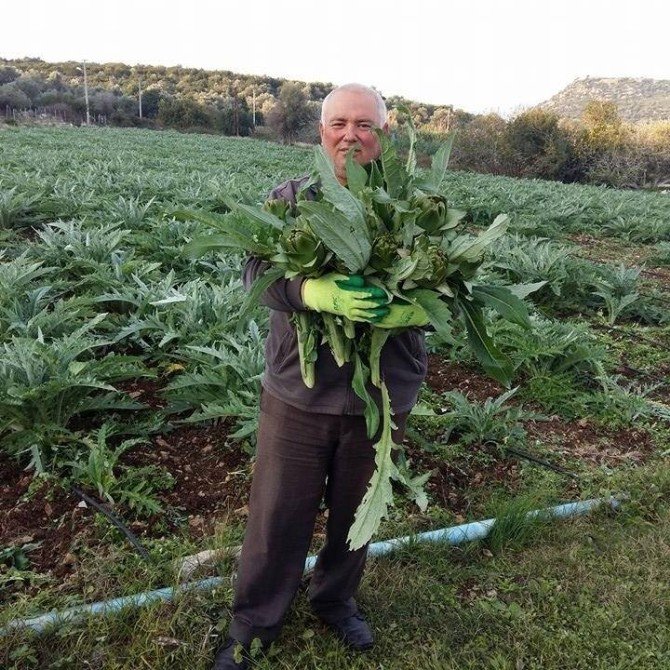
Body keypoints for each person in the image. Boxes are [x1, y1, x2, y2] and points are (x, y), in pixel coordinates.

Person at [213, 83, 430, 669]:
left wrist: (421, 306)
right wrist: (311, 290)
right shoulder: (291, 198)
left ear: (382, 135)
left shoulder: (412, 203)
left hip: (380, 394)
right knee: (277, 516)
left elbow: (450, 281)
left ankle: (335, 600)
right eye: (339, 123)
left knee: (357, 514)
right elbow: (255, 266)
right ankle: (254, 624)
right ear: (321, 132)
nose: (351, 135)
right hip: (299, 391)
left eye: (365, 124)